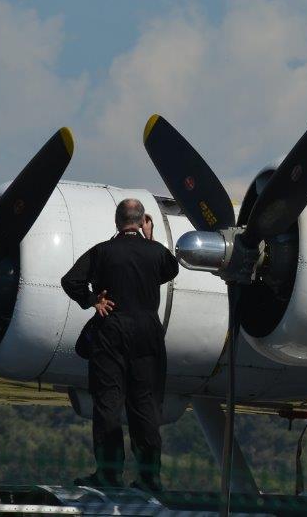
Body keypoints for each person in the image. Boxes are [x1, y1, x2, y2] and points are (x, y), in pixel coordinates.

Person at [61, 198, 179, 491]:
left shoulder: (102, 251)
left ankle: (109, 474)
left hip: (111, 327)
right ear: (141, 222)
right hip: (148, 332)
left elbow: (70, 281)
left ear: (116, 221)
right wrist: (151, 240)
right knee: (146, 405)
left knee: (108, 402)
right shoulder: (156, 253)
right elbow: (170, 269)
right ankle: (150, 477)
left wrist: (92, 301)